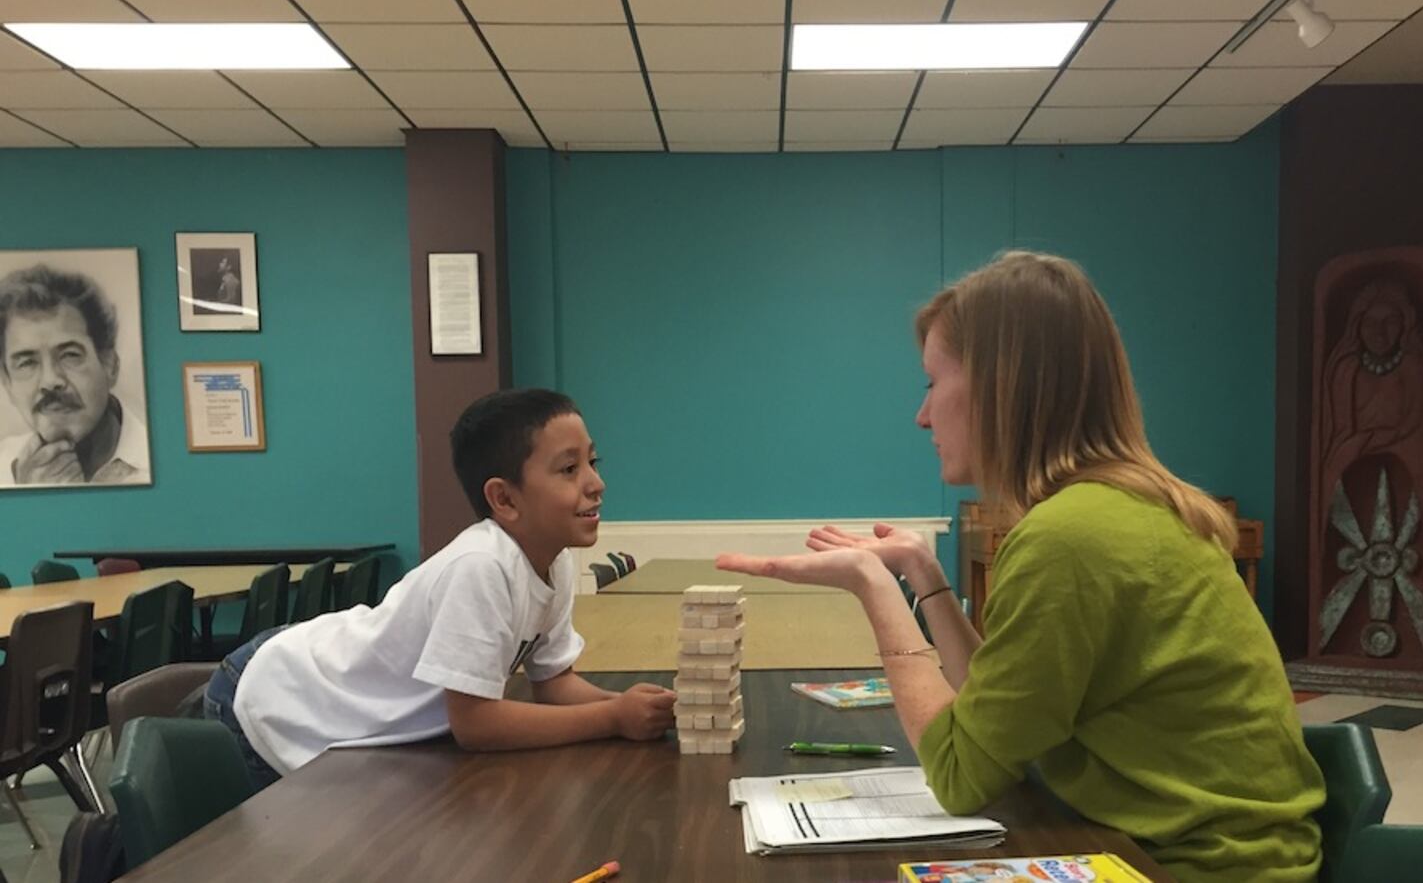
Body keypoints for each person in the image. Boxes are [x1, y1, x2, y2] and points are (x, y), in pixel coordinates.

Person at [719, 251, 1325, 883]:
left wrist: (875, 589)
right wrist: (924, 576)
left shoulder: (1068, 538)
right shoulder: (1125, 507)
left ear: (1000, 386)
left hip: (1195, 869)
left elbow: (959, 774)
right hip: (1236, 856)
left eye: (932, 383)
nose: (922, 415)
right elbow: (1004, 713)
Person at [203, 388, 677, 790]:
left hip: (318, 680)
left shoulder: (553, 560)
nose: (596, 483)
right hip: (275, 692)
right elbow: (476, 724)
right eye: (569, 469)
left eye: (592, 461)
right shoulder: (482, 566)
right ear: (504, 499)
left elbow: (553, 684)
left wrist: (632, 708)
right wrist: (613, 719)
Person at [0, 264, 149, 486]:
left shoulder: (156, 461)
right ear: (7, 382)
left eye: (69, 355)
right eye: (27, 362)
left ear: (110, 366)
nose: (50, 381)